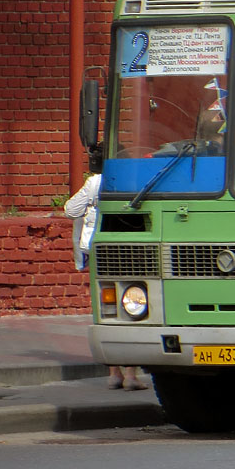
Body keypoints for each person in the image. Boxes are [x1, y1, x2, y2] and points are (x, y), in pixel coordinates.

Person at [64, 163, 148, 390]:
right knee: (132, 309)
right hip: (130, 250)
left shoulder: (95, 182)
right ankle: (131, 375)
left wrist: (92, 204)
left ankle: (114, 374)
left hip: (100, 250)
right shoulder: (136, 177)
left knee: (106, 309)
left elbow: (71, 210)